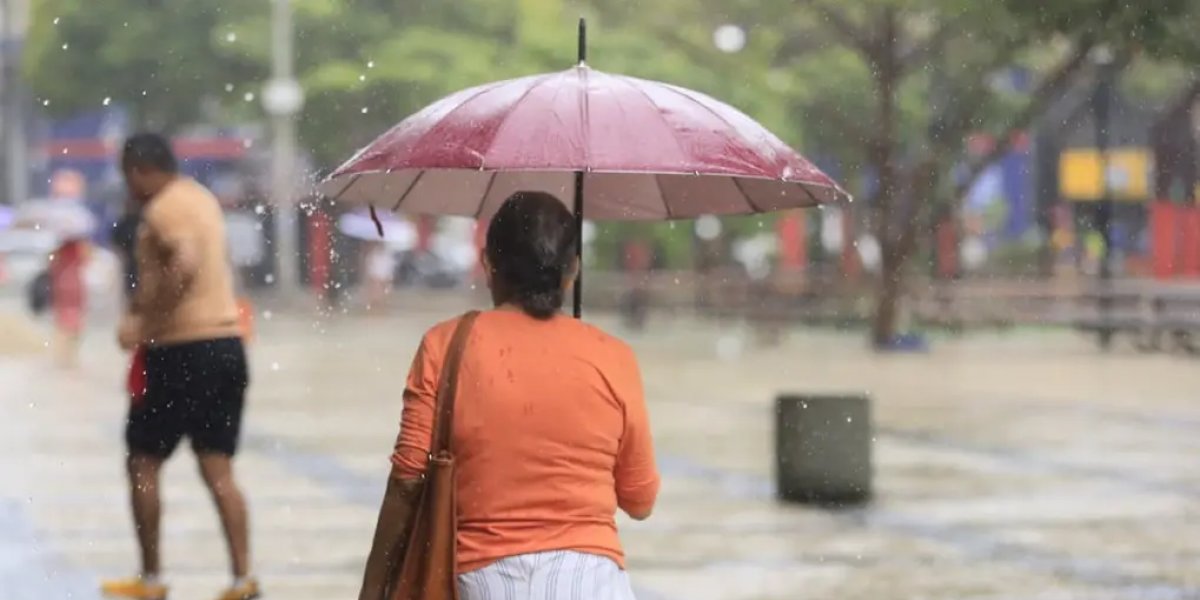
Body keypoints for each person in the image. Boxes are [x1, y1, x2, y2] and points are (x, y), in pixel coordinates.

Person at [358, 191, 660, 600]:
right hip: (595, 583)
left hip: (482, 581)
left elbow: (407, 481)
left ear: (488, 263)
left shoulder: (444, 346)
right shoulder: (614, 357)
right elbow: (640, 501)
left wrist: (375, 586)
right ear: (572, 270)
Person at [103, 133, 258, 600]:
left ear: (138, 170)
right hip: (226, 345)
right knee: (219, 469)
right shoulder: (201, 199)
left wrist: (145, 320)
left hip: (180, 352)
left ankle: (151, 580)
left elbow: (185, 261)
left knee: (142, 463)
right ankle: (242, 579)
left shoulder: (164, 207)